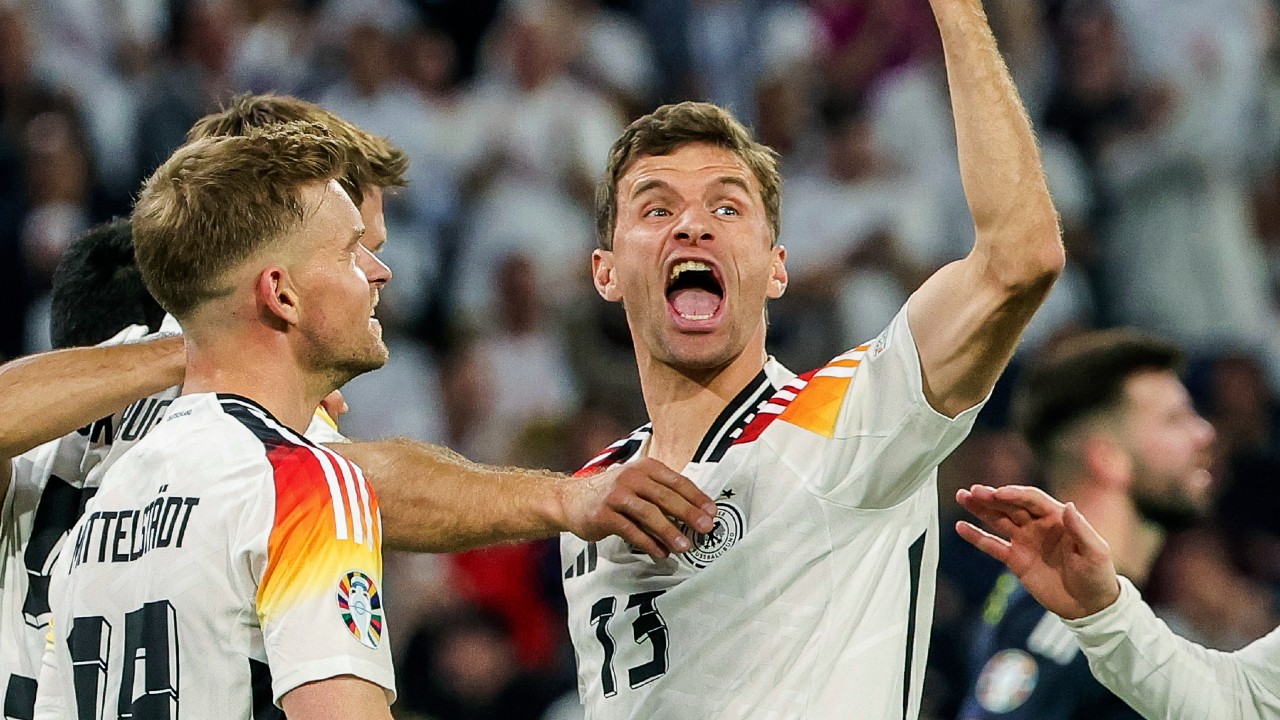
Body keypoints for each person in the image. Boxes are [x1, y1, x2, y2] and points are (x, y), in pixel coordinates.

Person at [2, 95, 713, 715]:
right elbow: (351, 491)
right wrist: (210, 347)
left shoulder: (129, 488)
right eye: (352, 246)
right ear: (274, 272)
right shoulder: (262, 448)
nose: (379, 273)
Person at [559, 0, 1064, 714]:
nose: (694, 225)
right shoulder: (591, 491)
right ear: (605, 272)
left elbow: (1020, 258)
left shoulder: (847, 416)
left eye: (728, 208)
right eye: (656, 208)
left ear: (777, 270)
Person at [956, 330, 1215, 719]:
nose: (1204, 433)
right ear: (1107, 457)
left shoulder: (1107, 610)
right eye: (1174, 420)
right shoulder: (1064, 616)